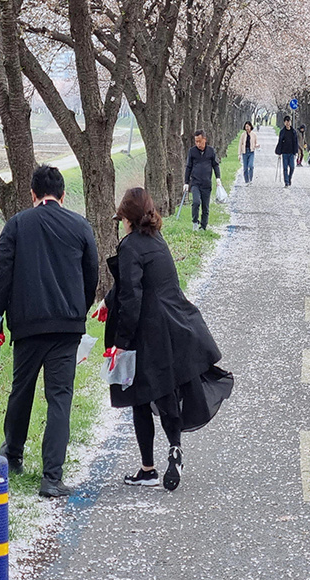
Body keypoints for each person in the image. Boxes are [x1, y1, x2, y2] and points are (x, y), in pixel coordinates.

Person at [95, 188, 233, 491]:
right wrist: (108, 301)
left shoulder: (130, 245)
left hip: (147, 330)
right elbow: (141, 282)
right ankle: (175, 448)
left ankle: (147, 469)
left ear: (128, 219)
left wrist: (122, 342)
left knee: (139, 398)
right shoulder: (157, 241)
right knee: (166, 390)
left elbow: (132, 295)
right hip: (175, 324)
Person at [0, 165, 99, 498]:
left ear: (33, 194)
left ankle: (13, 455)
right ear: (63, 196)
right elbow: (91, 275)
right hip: (67, 327)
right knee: (59, 398)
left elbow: (2, 274)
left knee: (21, 390)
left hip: (27, 324)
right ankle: (52, 477)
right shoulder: (81, 226)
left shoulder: (17, 224)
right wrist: (78, 310)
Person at [183, 130, 222, 231]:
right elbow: (188, 167)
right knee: (196, 202)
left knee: (205, 207)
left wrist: (218, 178)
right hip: (195, 183)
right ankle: (195, 222)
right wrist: (186, 183)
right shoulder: (192, 151)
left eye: (200, 141)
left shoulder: (211, 151)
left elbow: (215, 165)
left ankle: (203, 226)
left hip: (206, 183)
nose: (198, 144)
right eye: (196, 141)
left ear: (205, 139)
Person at [275, 116, 299, 187]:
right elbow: (280, 142)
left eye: (289, 121)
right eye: (286, 121)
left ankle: (289, 178)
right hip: (284, 152)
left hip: (291, 152)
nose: (288, 123)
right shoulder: (282, 131)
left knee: (292, 167)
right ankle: (286, 182)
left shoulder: (293, 131)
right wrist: (279, 152)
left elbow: (295, 142)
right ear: (284, 122)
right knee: (285, 168)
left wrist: (296, 151)